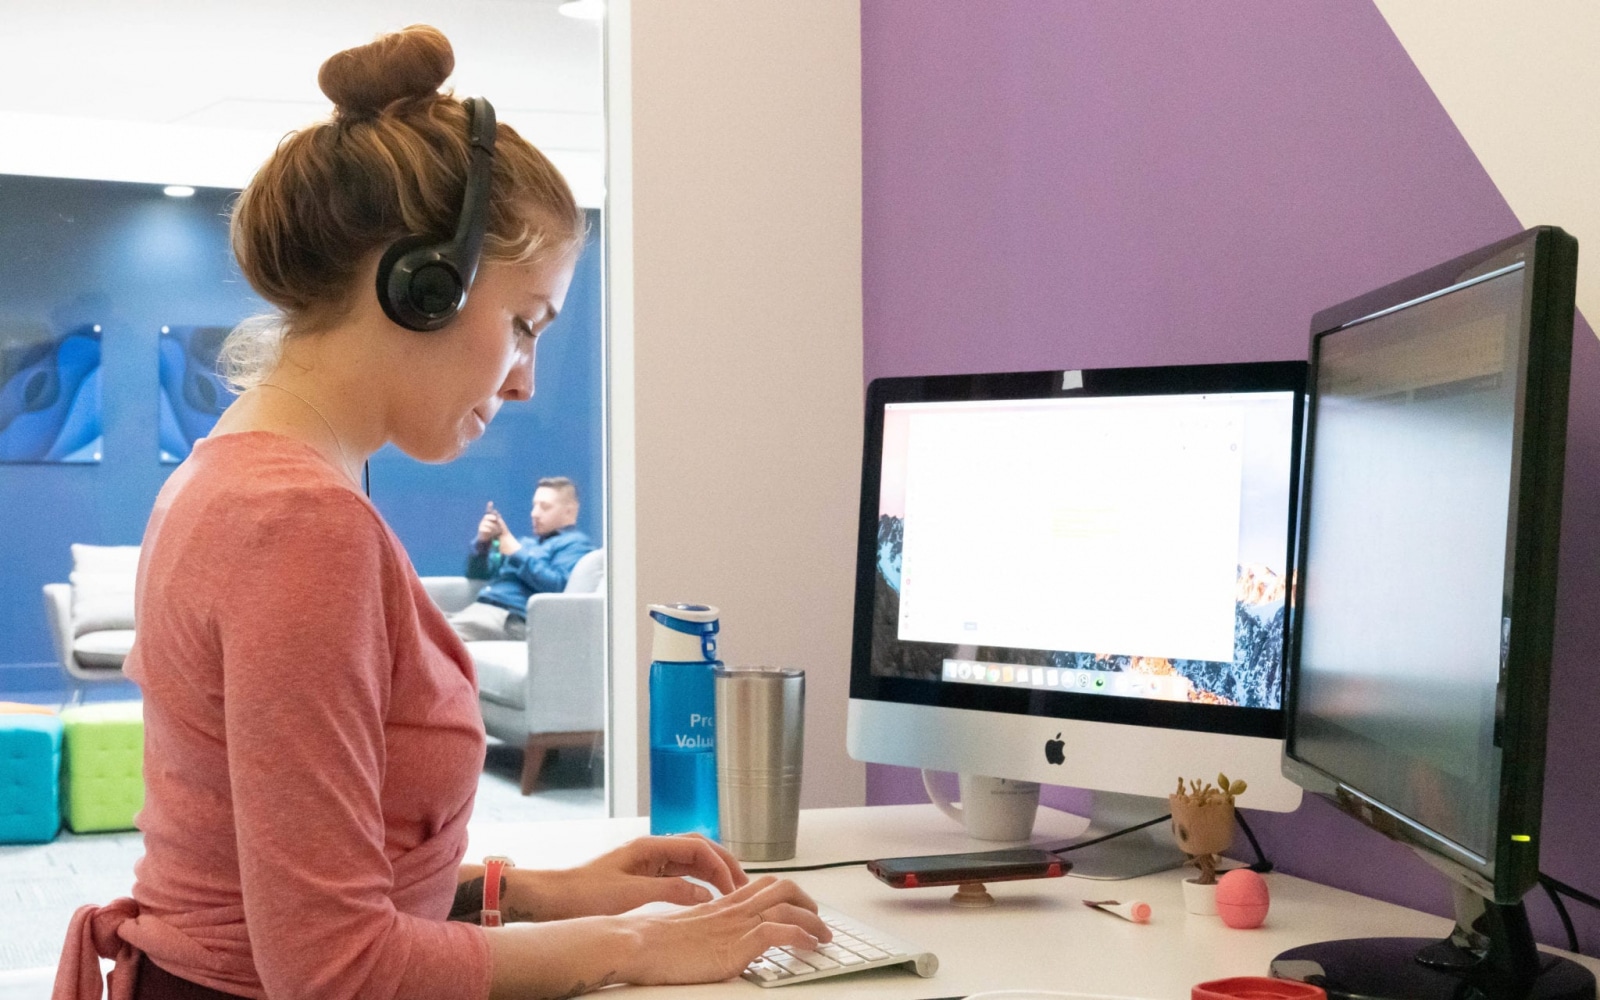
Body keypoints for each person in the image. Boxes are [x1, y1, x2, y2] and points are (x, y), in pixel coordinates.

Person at [54, 25, 825, 1000]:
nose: (524, 383)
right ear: (421, 287)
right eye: (522, 326)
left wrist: (541, 891)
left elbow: (298, 873)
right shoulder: (297, 526)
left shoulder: (227, 475)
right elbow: (334, 966)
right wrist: (635, 946)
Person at [447, 477, 595, 642]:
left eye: (545, 507)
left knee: (431, 638)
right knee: (423, 625)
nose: (535, 513)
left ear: (569, 511)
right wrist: (483, 543)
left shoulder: (575, 544)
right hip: (483, 612)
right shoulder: (527, 544)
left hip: (510, 619)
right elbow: (478, 575)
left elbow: (558, 589)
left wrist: (516, 552)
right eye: (534, 506)